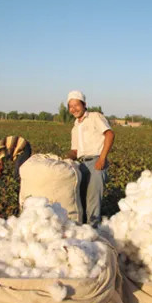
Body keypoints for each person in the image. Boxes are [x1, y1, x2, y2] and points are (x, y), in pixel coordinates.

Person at [65, 90, 115, 226]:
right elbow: (75, 151)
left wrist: (102, 159)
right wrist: (64, 159)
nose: (74, 109)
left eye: (76, 105)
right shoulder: (75, 127)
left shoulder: (95, 117)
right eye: (71, 106)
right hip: (81, 164)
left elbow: (109, 134)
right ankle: (83, 232)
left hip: (96, 162)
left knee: (93, 201)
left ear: (84, 104)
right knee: (80, 199)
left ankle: (94, 232)